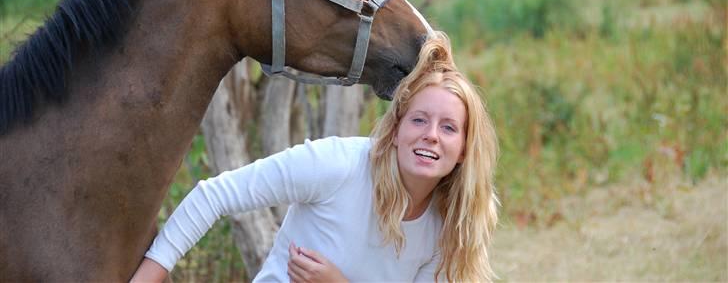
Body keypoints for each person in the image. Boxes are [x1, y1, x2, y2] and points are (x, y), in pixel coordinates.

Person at [130, 32, 498, 282]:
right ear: (397, 129)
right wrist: (150, 275)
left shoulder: (449, 224)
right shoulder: (337, 165)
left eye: (449, 128)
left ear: (465, 148)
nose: (431, 135)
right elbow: (215, 196)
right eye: (419, 119)